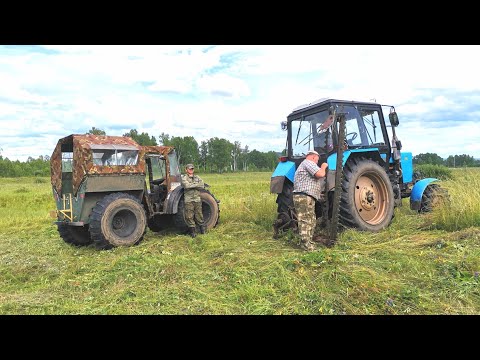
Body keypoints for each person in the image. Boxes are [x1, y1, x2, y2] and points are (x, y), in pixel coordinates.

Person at [292, 150, 328, 251]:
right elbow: (320, 174)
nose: (317, 162)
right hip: (304, 197)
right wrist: (324, 166)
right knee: (305, 220)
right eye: (317, 160)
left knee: (311, 220)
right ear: (313, 157)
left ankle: (309, 242)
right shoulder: (308, 163)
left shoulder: (305, 164)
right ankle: (306, 246)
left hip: (307, 196)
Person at [181, 163, 205, 238]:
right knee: (189, 216)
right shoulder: (184, 178)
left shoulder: (197, 177)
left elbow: (202, 185)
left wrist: (192, 185)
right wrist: (196, 184)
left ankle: (202, 230)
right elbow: (186, 186)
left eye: (192, 169)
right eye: (189, 169)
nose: (191, 170)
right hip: (189, 200)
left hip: (197, 199)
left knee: (199, 214)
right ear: (186, 170)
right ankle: (193, 232)